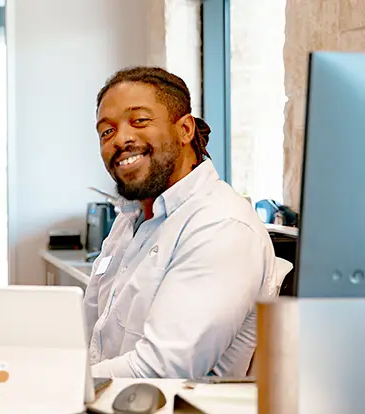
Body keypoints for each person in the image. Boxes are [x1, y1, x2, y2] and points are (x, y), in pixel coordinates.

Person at [84, 66, 277, 379]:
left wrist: (55, 382)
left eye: (139, 121)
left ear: (185, 129)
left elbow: (162, 368)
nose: (120, 139)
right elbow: (89, 336)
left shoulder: (220, 225)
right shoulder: (130, 220)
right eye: (106, 131)